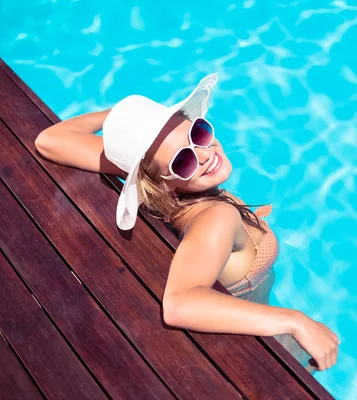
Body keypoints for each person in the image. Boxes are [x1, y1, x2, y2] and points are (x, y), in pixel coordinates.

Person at [34, 73, 339, 371]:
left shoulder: (157, 179)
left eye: (199, 133)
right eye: (183, 159)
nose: (204, 155)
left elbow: (50, 141)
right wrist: (295, 320)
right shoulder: (216, 218)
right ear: (162, 180)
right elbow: (181, 303)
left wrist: (124, 120)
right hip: (262, 343)